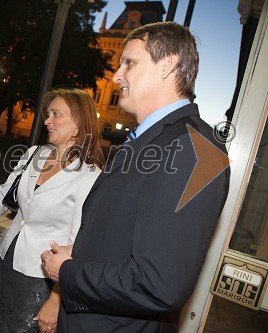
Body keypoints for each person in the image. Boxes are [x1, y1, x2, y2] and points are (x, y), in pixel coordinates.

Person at [41, 22, 231, 333]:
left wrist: (69, 272)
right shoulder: (146, 141)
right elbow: (129, 235)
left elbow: (160, 284)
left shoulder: (197, 149)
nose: (116, 76)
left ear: (167, 66)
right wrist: (82, 255)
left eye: (129, 62)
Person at [0, 88, 104, 332]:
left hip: (43, 279)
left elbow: (77, 244)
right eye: (48, 114)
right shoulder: (33, 154)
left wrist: (56, 300)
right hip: (8, 262)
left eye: (56, 114)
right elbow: (5, 194)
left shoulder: (90, 176)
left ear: (79, 121)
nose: (47, 120)